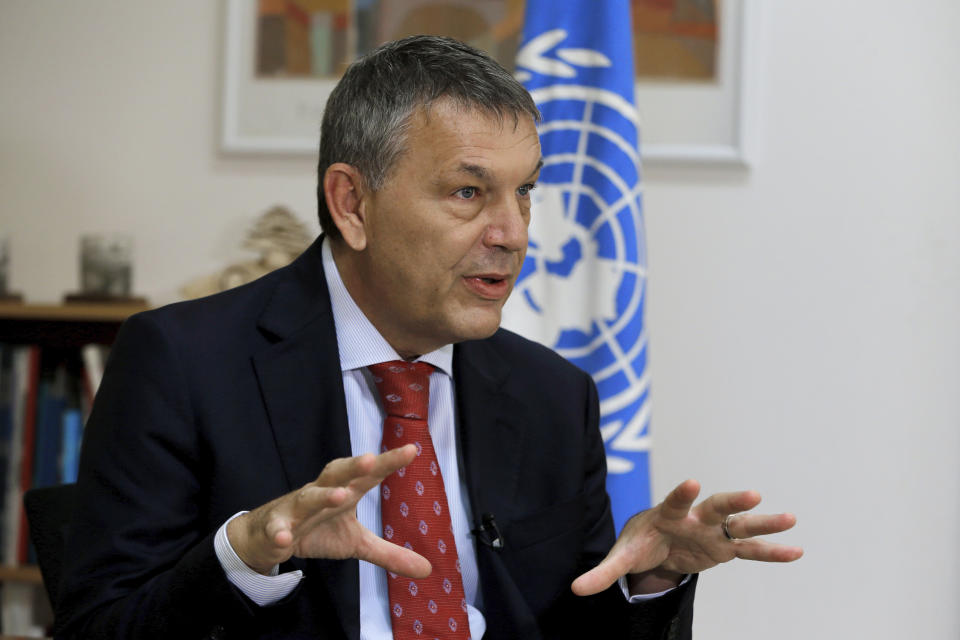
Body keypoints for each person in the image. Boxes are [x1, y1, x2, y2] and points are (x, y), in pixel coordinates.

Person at [55, 36, 801, 640]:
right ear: (352, 203)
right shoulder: (184, 363)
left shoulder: (552, 396)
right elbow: (101, 628)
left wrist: (648, 582)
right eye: (469, 192)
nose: (512, 235)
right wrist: (244, 554)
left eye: (526, 191)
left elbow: (572, 629)